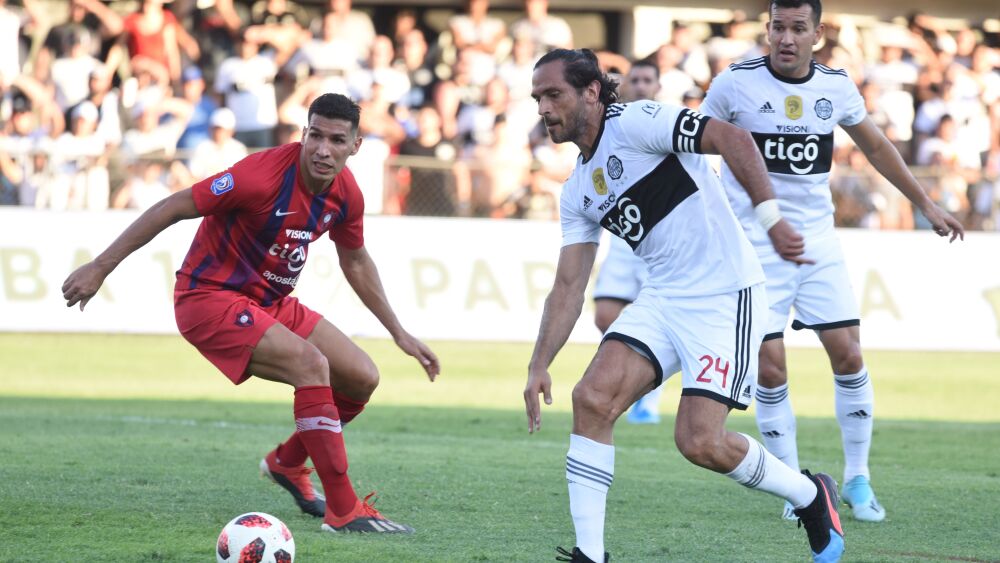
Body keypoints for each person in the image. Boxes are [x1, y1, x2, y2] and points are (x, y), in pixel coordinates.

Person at [62, 93, 440, 534]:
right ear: (303, 133)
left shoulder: (346, 193)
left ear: (355, 146)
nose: (322, 149)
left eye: (336, 140)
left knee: (361, 376)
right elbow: (174, 206)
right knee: (311, 365)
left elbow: (355, 260)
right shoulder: (258, 176)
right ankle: (344, 510)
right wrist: (100, 266)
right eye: (314, 135)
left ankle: (287, 463)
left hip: (271, 303)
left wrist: (399, 332)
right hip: (209, 298)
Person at [524, 48, 844, 563]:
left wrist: (770, 219)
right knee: (591, 399)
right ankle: (590, 554)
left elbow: (731, 137)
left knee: (699, 442)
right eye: (537, 97)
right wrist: (539, 364)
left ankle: (810, 497)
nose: (543, 107)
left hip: (724, 294)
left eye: (553, 94)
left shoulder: (638, 120)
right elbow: (568, 285)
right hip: (665, 296)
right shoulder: (578, 190)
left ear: (589, 91)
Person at [699, 0, 964, 523]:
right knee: (770, 367)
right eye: (779, 27)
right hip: (754, 246)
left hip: (817, 244)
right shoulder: (734, 84)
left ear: (817, 33)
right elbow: (692, 146)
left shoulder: (836, 87)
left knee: (848, 354)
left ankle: (859, 479)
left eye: (799, 29)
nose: (787, 38)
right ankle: (799, 492)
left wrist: (926, 204)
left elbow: (878, 148)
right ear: (767, 30)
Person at [591, 59, 658, 425]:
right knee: (605, 316)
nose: (643, 85)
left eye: (649, 79)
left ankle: (648, 395)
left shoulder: (663, 122)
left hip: (659, 244)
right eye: (637, 80)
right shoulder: (612, 127)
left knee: (656, 324)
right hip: (623, 239)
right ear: (627, 85)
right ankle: (640, 383)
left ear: (658, 87)